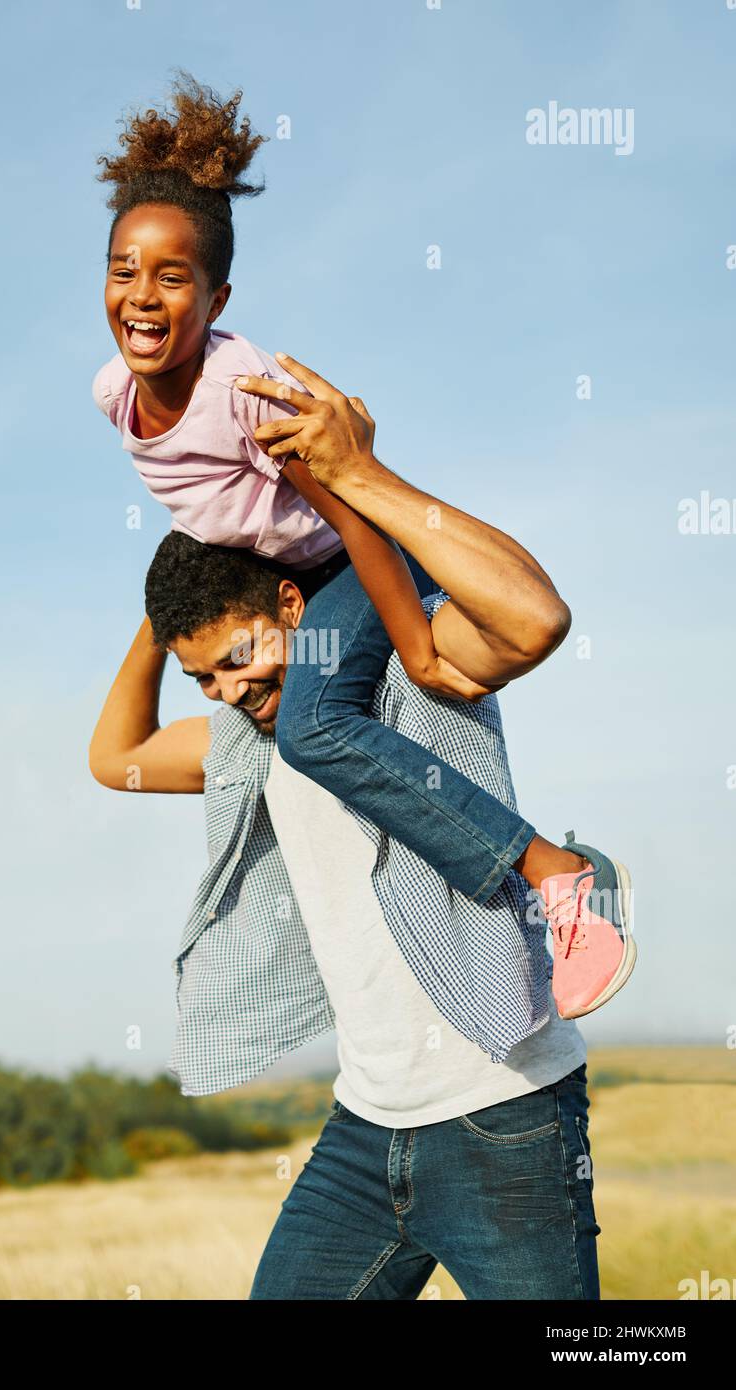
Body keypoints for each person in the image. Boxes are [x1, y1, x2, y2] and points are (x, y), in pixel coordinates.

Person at [91, 73, 634, 1019]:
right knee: (297, 719)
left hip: (357, 556)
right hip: (299, 573)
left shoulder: (244, 397)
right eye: (121, 269)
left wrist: (415, 645)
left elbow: (348, 511)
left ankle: (559, 876)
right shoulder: (114, 393)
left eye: (171, 278)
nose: (141, 296)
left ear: (216, 297)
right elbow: (195, 504)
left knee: (312, 725)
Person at [87, 531, 603, 1300]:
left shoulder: (415, 668)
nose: (228, 690)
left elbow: (527, 620)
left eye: (236, 658)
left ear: (292, 607)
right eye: (203, 678)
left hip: (504, 1118)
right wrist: (163, 613)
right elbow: (114, 756)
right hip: (363, 1131)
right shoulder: (245, 746)